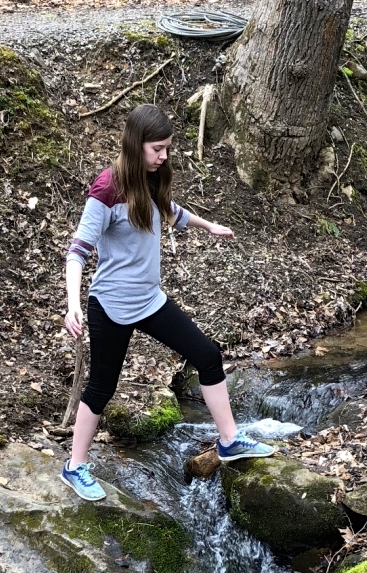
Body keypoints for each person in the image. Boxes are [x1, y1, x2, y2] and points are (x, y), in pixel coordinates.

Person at [61, 103, 275, 501]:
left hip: (150, 301)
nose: (163, 156)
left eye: (167, 149)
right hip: (109, 306)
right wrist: (73, 304)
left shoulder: (152, 179)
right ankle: (74, 467)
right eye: (157, 148)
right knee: (102, 388)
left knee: (208, 355)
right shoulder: (107, 189)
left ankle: (229, 442)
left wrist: (208, 225)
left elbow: (171, 213)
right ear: (136, 144)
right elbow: (77, 251)